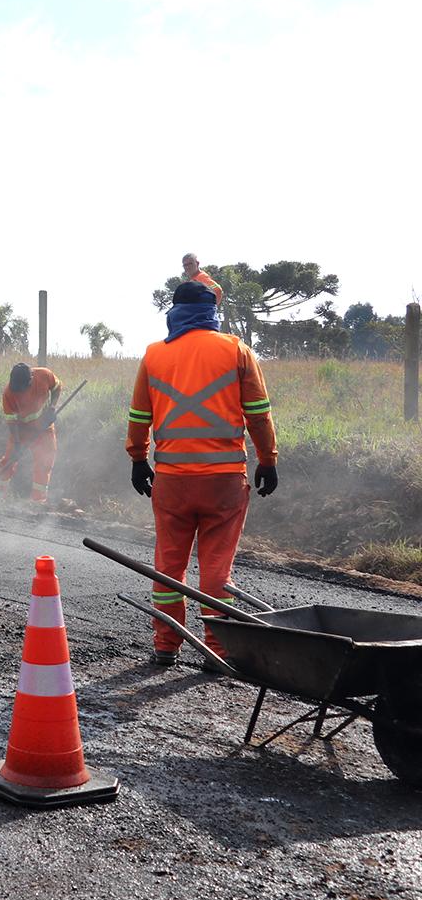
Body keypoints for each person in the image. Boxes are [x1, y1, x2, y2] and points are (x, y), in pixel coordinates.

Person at [128, 280, 278, 668]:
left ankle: (166, 646)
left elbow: (139, 415)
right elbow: (258, 415)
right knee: (216, 570)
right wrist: (268, 459)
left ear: (173, 312)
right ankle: (217, 650)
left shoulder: (153, 355)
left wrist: (137, 459)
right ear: (212, 313)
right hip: (224, 481)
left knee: (169, 565)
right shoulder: (236, 350)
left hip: (172, 481)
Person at [0, 362, 61, 504]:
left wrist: (52, 408)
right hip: (21, 430)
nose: (19, 392)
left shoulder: (44, 375)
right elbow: (11, 422)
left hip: (44, 428)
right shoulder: (8, 393)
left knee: (45, 462)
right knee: (9, 461)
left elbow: (57, 387)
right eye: (16, 388)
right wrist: (17, 443)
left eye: (21, 389)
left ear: (31, 379)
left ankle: (37, 501)